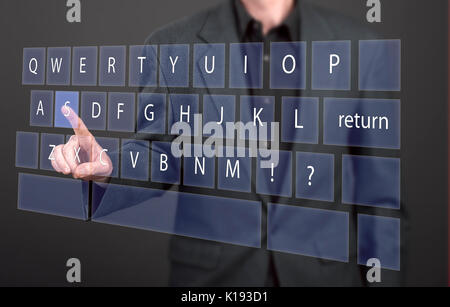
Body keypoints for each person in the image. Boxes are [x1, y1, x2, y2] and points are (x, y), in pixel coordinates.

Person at [51, 0, 396, 286]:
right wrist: (109, 168)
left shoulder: (360, 48)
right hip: (213, 281)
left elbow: (380, 198)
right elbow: (159, 152)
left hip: (324, 276)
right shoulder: (172, 45)